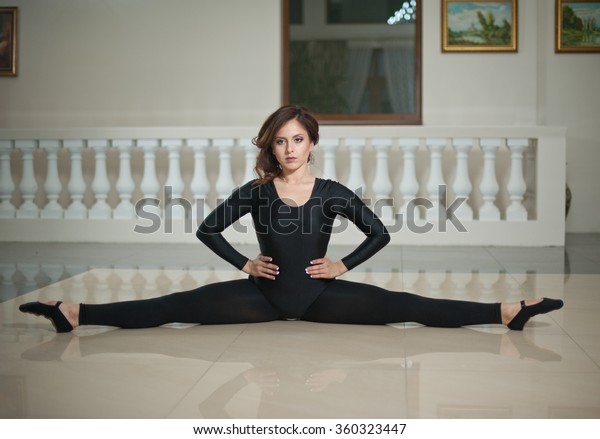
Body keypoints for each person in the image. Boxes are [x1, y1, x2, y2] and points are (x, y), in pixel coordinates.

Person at [19, 105, 563, 333]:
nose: (288, 148)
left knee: (411, 308)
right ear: (272, 146)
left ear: (312, 142)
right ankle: (72, 311)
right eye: (280, 141)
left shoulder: (331, 192)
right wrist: (246, 263)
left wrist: (344, 264)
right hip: (261, 298)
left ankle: (509, 310)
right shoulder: (257, 191)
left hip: (323, 297)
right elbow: (207, 227)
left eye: (297, 139)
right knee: (170, 308)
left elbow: (381, 232)